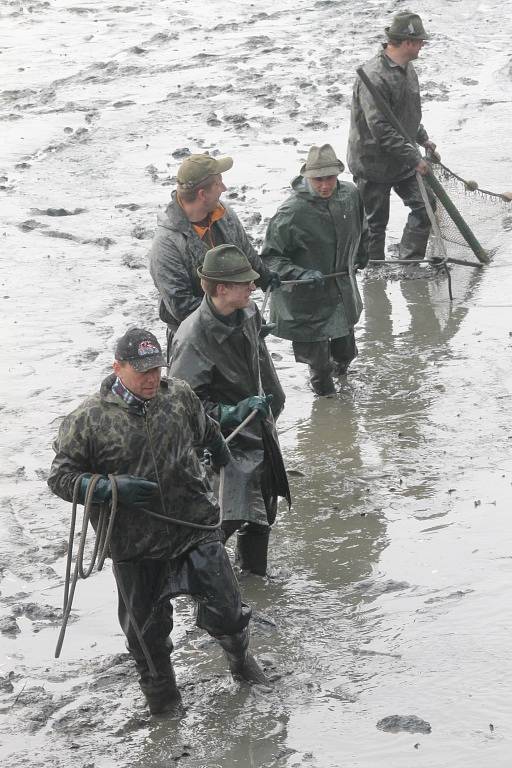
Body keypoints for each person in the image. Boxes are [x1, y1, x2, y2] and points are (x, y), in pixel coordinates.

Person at [47, 328, 268, 717]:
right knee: (146, 638)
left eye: (156, 370)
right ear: (118, 368)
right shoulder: (88, 420)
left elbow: (207, 431)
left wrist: (221, 454)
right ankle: (165, 707)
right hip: (136, 545)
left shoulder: (177, 395)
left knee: (228, 610)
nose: (152, 379)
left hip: (193, 529)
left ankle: (240, 660)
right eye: (142, 371)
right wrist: (109, 489)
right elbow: (61, 479)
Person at [169, 245, 291, 576]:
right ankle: (204, 593)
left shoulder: (249, 313)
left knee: (264, 512)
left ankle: (253, 582)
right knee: (223, 520)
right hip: (222, 444)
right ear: (222, 289)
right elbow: (183, 409)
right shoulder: (192, 338)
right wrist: (233, 413)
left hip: (260, 431)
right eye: (245, 282)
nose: (254, 287)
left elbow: (261, 367)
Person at [148, 152, 285, 416]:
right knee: (209, 415)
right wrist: (232, 325)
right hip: (200, 342)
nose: (224, 187)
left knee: (272, 400)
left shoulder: (223, 214)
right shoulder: (166, 245)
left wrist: (265, 276)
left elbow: (245, 252)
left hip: (239, 322)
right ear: (202, 193)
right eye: (218, 183)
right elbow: (180, 306)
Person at [261, 144, 368, 397]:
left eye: (329, 178)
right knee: (319, 365)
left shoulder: (350, 195)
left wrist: (363, 253)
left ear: (338, 175)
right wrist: (300, 274)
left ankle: (342, 383)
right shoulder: (291, 212)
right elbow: (269, 258)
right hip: (306, 300)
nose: (324, 185)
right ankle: (327, 402)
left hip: (341, 290)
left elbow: (363, 228)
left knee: (346, 352)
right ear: (307, 177)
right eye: (318, 179)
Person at [346, 11, 439, 262]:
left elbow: (406, 113)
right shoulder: (373, 76)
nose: (422, 46)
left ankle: (410, 263)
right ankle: (373, 272)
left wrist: (422, 138)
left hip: (402, 159)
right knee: (375, 225)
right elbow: (381, 128)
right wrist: (413, 158)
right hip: (372, 163)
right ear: (407, 43)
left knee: (426, 208)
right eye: (420, 41)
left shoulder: (408, 69)